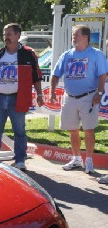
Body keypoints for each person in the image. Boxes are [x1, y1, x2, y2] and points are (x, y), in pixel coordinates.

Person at [0, 23, 44, 171]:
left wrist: (40, 94)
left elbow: (36, 76)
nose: (6, 37)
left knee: (19, 131)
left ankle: (20, 160)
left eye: (9, 34)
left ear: (17, 36)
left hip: (18, 99)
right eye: (4, 34)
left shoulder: (28, 54)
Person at [50, 24, 108, 175]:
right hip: (69, 97)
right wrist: (52, 91)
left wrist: (99, 93)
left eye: (76, 35)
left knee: (89, 130)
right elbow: (55, 74)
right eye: (73, 35)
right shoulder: (67, 55)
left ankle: (89, 161)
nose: (73, 37)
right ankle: (76, 158)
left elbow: (103, 75)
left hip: (89, 97)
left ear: (86, 37)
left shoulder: (97, 54)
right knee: (72, 130)